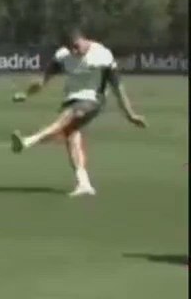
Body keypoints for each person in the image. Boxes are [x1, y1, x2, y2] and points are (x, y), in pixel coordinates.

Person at [11, 28, 146, 196]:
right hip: (71, 99)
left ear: (83, 39)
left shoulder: (102, 55)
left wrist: (130, 115)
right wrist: (26, 93)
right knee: (71, 135)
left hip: (94, 100)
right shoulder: (62, 56)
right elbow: (43, 80)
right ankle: (84, 183)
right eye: (70, 49)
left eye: (76, 46)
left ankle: (27, 141)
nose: (74, 52)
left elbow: (118, 87)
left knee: (67, 118)